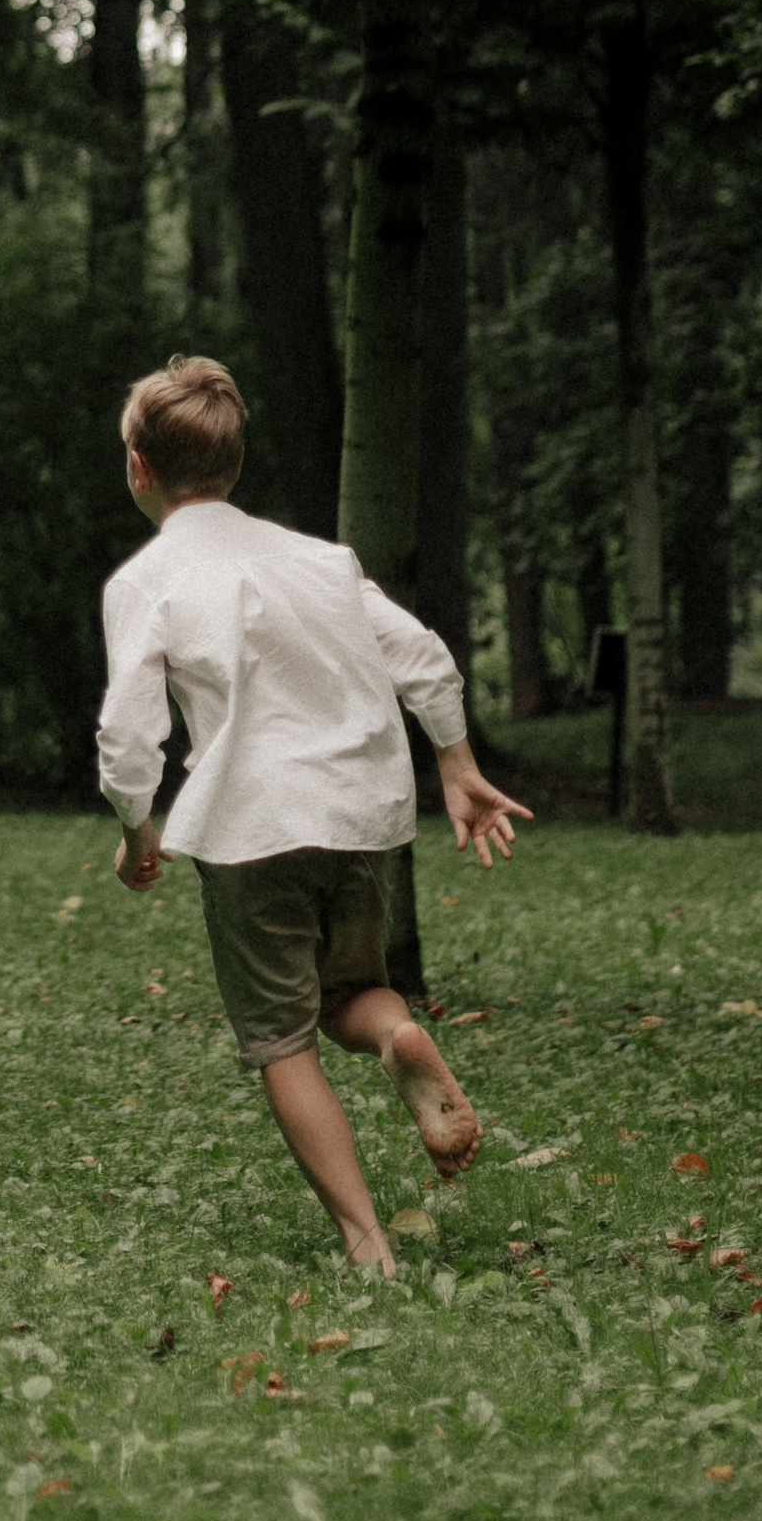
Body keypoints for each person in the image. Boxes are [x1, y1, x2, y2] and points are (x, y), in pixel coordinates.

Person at [97, 355, 532, 1276]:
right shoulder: (321, 561)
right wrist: (456, 763)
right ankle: (395, 1033)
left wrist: (138, 825)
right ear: (235, 464)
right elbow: (420, 654)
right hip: (359, 820)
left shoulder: (148, 581)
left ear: (140, 467)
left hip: (251, 830)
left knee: (282, 1039)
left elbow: (128, 734)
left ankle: (366, 1241)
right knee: (345, 994)